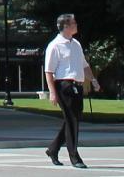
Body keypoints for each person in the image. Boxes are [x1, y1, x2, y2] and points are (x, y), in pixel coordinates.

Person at [42, 11, 99, 167]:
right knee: (73, 120)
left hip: (77, 86)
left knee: (72, 119)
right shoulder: (54, 46)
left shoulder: (76, 44)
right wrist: (52, 92)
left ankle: (53, 149)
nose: (76, 25)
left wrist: (93, 80)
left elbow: (84, 65)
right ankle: (74, 157)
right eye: (74, 23)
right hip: (64, 86)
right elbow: (49, 71)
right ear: (66, 26)